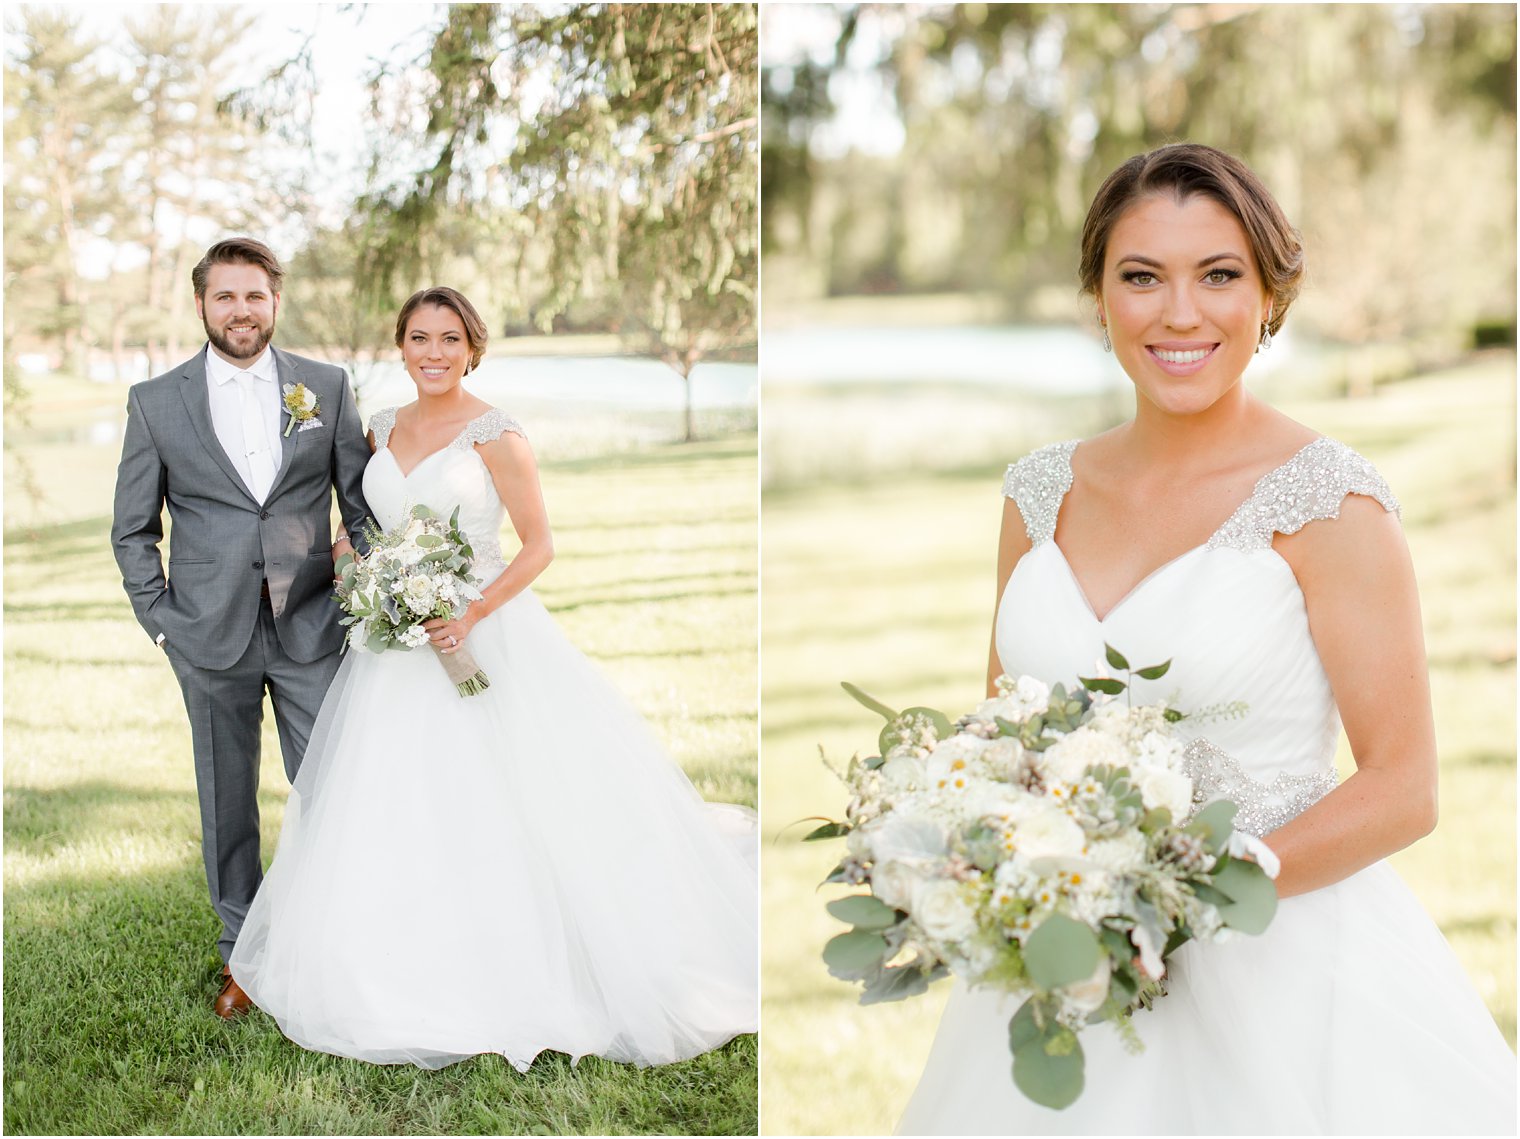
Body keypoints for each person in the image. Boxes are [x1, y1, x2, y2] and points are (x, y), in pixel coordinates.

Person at [896, 144, 1515, 1134]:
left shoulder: (1329, 503)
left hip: (1283, 965)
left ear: (1267, 296)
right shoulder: (1036, 493)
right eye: (1139, 276)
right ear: (1098, 298)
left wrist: (1177, 898)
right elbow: (999, 742)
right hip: (1063, 960)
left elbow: (1404, 785)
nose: (1178, 313)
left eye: (1217, 274)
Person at [227, 286, 758, 1071]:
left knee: (504, 791)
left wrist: (468, 613)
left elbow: (538, 545)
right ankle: (389, 955)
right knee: (389, 796)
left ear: (472, 346)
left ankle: (513, 956)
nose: (432, 353)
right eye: (417, 338)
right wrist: (355, 564)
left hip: (482, 632)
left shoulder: (497, 433)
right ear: (400, 345)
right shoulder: (379, 426)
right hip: (392, 648)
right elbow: (364, 522)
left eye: (448, 339)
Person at [111, 238, 373, 1019]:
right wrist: (164, 623)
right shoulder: (156, 401)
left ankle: (345, 942)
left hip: (311, 627)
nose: (241, 311)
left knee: (336, 785)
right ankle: (244, 959)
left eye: (254, 295)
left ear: (275, 301)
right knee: (227, 803)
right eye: (224, 296)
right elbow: (133, 529)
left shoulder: (325, 386)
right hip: (207, 634)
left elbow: (358, 508)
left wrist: (369, 594)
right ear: (201, 305)